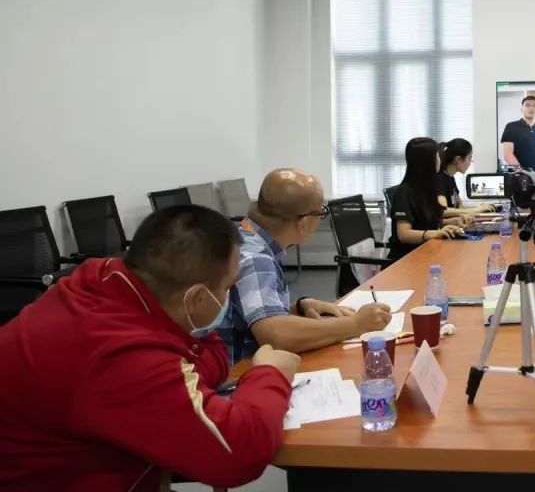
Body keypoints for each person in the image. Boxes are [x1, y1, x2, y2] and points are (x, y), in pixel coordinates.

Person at [0, 205, 299, 490]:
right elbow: (239, 452)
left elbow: (211, 363)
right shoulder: (119, 352)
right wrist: (269, 373)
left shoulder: (108, 280)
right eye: (228, 287)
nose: (229, 295)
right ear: (196, 299)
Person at [218, 168, 392, 364]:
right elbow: (274, 335)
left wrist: (298, 308)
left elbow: (245, 314)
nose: (320, 218)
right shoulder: (256, 258)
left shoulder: (248, 237)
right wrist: (355, 324)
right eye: (321, 212)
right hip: (239, 371)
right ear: (303, 222)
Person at [390, 137, 469, 261]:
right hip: (407, 259)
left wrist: (453, 222)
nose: (440, 160)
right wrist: (433, 234)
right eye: (437, 156)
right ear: (426, 162)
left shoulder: (427, 188)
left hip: (428, 252)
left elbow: (429, 221)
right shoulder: (404, 192)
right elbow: (404, 234)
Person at [438, 138, 495, 217]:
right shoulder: (440, 178)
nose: (470, 163)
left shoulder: (450, 177)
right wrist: (476, 210)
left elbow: (460, 206)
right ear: (458, 159)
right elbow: (443, 211)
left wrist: (480, 209)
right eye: (469, 159)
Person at [501, 94, 535, 175]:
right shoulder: (511, 126)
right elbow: (507, 155)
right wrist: (524, 174)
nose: (531, 108)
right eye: (527, 105)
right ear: (521, 109)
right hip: (517, 175)